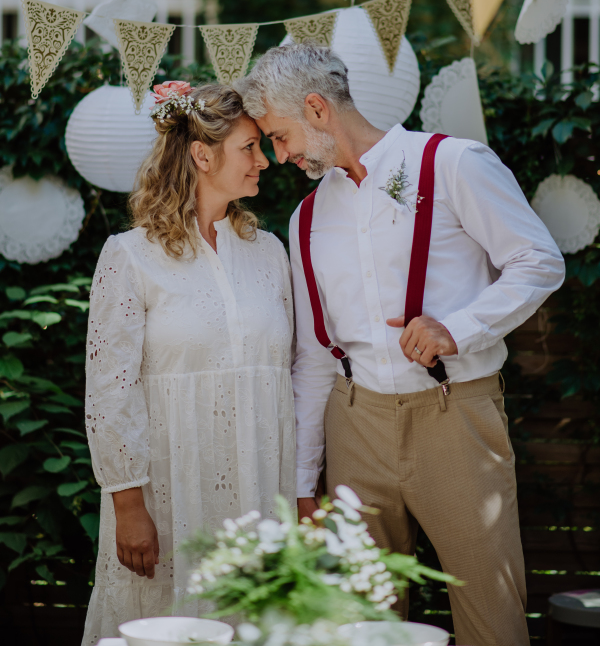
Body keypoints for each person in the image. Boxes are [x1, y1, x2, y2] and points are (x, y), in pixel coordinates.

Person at [236, 45, 565, 646]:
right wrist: (306, 485)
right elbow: (313, 358)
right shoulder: (305, 218)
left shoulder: (454, 163)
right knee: (357, 624)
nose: (280, 158)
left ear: (316, 108)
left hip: (456, 415)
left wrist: (458, 329)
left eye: (280, 137)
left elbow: (538, 262)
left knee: (491, 615)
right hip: (353, 426)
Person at [82, 82, 296, 646]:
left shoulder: (270, 253)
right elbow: (110, 392)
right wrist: (129, 506)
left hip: (261, 490)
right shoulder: (129, 256)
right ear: (203, 155)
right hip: (170, 496)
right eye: (250, 147)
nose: (265, 162)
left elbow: (290, 378)